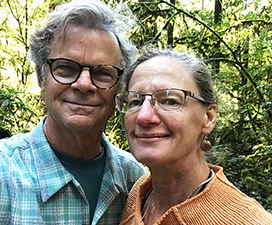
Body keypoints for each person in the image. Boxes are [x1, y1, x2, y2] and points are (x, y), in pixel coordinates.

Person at [0, 0, 147, 224]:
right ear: (41, 76)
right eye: (66, 67)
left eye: (103, 72)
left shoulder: (136, 182)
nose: (84, 84)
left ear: (118, 86)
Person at [116, 49, 272, 224]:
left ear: (208, 118)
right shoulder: (138, 195)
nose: (143, 116)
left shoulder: (249, 221)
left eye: (170, 101)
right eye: (135, 101)